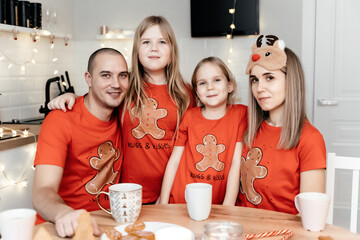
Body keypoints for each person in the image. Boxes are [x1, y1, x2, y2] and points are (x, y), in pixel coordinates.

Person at [47, 16, 195, 204]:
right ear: (137, 49)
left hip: (171, 194)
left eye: (162, 42)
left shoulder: (185, 93)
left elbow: (189, 148)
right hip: (128, 193)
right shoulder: (126, 85)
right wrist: (73, 98)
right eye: (146, 42)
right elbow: (99, 98)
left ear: (173, 49)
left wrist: (168, 195)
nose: (154, 48)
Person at [32, 48, 129, 238]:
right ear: (89, 79)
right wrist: (63, 213)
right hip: (60, 227)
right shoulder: (60, 120)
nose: (116, 84)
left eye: (122, 75)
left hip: (106, 227)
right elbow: (42, 191)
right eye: (106, 75)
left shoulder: (125, 114)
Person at [237, 35, 326, 214]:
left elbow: (311, 215)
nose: (259, 87)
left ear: (290, 80)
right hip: (240, 228)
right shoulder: (246, 126)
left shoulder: (310, 139)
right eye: (254, 79)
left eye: (269, 77)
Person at [159, 57, 247, 205]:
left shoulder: (240, 114)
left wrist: (228, 206)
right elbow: (174, 162)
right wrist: (163, 201)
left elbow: (235, 163)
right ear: (197, 92)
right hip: (182, 200)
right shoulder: (189, 116)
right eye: (202, 83)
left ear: (230, 85)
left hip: (218, 203)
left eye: (217, 80)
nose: (210, 87)